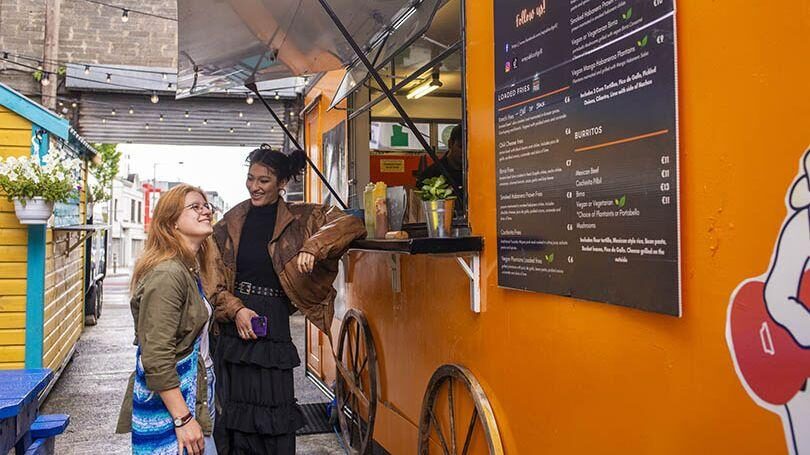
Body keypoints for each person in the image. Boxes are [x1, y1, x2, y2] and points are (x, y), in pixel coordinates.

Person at [206, 144, 366, 454]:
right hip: (235, 320)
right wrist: (236, 310)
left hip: (273, 320)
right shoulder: (231, 221)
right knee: (235, 411)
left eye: (264, 180)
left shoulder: (303, 216)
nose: (255, 186)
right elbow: (212, 282)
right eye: (251, 178)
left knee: (276, 407)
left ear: (282, 184)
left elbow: (351, 223)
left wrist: (313, 247)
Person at [116, 184, 218, 455]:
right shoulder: (168, 274)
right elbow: (156, 355)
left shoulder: (187, 268)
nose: (205, 211)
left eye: (206, 205)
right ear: (172, 222)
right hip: (177, 405)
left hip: (194, 393)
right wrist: (183, 419)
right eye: (195, 207)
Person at [416, 124, 464, 191]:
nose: (465, 152)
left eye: (470, 148)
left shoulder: (475, 174)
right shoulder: (431, 175)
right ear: (450, 144)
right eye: (461, 147)